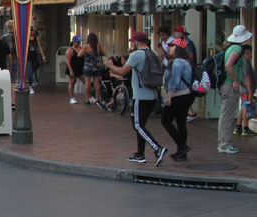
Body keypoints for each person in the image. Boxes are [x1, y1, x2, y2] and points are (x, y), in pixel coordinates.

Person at [105, 32, 167, 165]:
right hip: (153, 95)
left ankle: (157, 148)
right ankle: (140, 154)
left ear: (137, 42)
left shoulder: (137, 55)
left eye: (133, 41)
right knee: (141, 125)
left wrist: (110, 66)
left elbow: (122, 72)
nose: (132, 44)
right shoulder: (153, 54)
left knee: (137, 125)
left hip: (141, 95)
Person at [218, 25, 253, 154]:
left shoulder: (230, 48)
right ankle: (225, 144)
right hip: (229, 85)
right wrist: (236, 81)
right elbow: (229, 65)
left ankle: (222, 142)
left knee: (224, 114)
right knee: (227, 115)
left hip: (226, 85)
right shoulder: (237, 48)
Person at [161, 39, 194, 161]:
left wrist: (169, 96)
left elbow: (175, 81)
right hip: (186, 95)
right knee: (181, 122)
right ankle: (181, 151)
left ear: (178, 48)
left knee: (166, 120)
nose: (169, 48)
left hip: (178, 95)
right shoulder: (185, 61)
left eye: (172, 46)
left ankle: (182, 146)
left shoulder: (178, 62)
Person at [235, 44, 256, 137]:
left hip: (243, 89)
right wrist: (251, 93)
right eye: (247, 53)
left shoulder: (242, 63)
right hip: (247, 90)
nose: (250, 55)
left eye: (250, 53)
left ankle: (238, 126)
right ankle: (246, 128)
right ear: (243, 54)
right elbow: (248, 79)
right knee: (246, 108)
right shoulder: (246, 64)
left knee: (243, 107)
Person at [81, 33, 105, 105]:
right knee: (97, 83)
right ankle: (97, 99)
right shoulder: (98, 46)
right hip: (97, 66)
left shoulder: (86, 47)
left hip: (88, 67)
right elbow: (104, 53)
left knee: (87, 83)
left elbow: (79, 54)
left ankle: (87, 99)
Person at [65, 35, 84, 104]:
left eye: (79, 42)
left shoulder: (81, 49)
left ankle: (90, 96)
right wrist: (71, 70)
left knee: (86, 82)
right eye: (77, 42)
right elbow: (68, 61)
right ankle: (71, 98)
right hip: (73, 69)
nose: (78, 43)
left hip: (80, 69)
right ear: (73, 42)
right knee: (72, 82)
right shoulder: (70, 50)